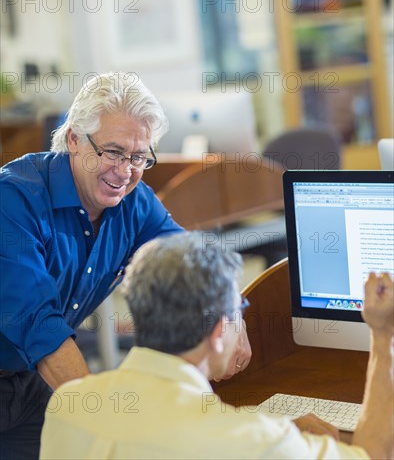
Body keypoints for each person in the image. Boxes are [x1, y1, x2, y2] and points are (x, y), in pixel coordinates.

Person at [0, 72, 252, 459]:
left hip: (25, 378)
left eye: (139, 157)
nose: (125, 171)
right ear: (73, 139)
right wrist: (106, 422)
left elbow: (192, 258)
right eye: (113, 152)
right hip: (33, 359)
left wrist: (233, 313)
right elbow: (38, 325)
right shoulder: (14, 199)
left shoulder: (133, 202)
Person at [40, 233, 393, 460]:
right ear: (218, 330)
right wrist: (382, 333)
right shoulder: (252, 441)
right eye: (238, 312)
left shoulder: (67, 405)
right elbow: (372, 454)